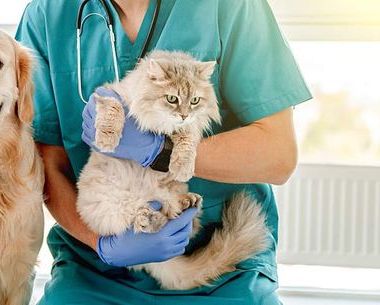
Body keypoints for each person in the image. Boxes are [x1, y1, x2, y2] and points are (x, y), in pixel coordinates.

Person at [16, 0, 311, 304]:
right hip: (93, 267)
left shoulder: (231, 6)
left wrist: (163, 152)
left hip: (222, 272)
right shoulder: (48, 15)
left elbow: (279, 156)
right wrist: (104, 245)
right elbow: (46, 165)